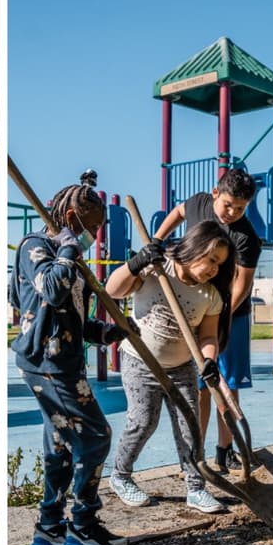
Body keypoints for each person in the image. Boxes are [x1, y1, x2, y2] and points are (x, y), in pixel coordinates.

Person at [9, 182, 131, 545]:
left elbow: (70, 318)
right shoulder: (36, 247)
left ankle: (49, 529)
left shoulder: (70, 258)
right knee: (96, 437)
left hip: (65, 360)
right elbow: (51, 290)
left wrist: (110, 332)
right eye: (90, 228)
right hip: (47, 364)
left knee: (60, 447)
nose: (93, 236)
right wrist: (67, 248)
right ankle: (82, 525)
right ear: (72, 219)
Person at [105, 220, 236, 513]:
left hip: (181, 367)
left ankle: (196, 488)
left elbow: (208, 336)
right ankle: (121, 475)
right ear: (193, 248)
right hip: (141, 361)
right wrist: (136, 263)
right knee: (143, 421)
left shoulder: (209, 295)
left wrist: (209, 360)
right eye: (211, 259)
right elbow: (113, 290)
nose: (214, 268)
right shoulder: (156, 268)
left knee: (191, 426)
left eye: (220, 264)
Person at [153, 168, 259, 473]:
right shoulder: (199, 203)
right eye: (228, 205)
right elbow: (176, 212)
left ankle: (225, 450)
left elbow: (242, 284)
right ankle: (195, 451)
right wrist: (158, 240)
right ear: (215, 194)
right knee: (201, 384)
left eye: (240, 208)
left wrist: (221, 313)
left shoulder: (246, 236)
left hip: (231, 314)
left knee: (229, 383)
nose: (232, 213)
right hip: (193, 307)